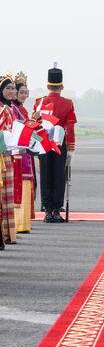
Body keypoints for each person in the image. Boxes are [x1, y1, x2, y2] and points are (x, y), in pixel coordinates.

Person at [34, 64, 76, 224]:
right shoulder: (68, 103)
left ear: (47, 85)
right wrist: (71, 148)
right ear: (62, 86)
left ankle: (48, 210)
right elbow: (70, 129)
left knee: (45, 176)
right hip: (59, 144)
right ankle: (57, 211)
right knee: (59, 176)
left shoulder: (39, 103)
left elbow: (34, 125)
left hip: (43, 143)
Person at [12, 72, 35, 233]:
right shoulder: (13, 109)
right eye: (21, 92)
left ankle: (23, 223)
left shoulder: (21, 109)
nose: (24, 95)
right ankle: (19, 223)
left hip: (25, 151)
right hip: (17, 152)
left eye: (26, 92)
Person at [0, 75, 17, 244]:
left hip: (8, 154)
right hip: (2, 155)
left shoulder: (9, 109)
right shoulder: (3, 110)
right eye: (8, 88)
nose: (12, 91)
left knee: (7, 195)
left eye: (13, 88)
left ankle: (8, 233)